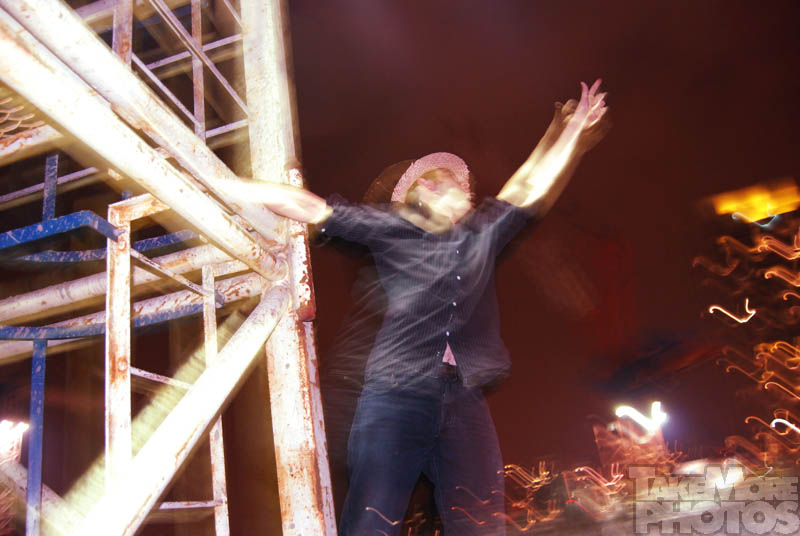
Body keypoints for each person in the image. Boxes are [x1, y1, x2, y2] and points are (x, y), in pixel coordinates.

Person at [227, 80, 608, 535]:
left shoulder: (482, 234)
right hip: (396, 394)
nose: (464, 187)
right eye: (449, 181)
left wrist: (572, 132)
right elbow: (309, 207)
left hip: (464, 399)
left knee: (482, 524)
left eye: (465, 184)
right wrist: (223, 184)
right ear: (421, 192)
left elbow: (527, 188)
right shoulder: (392, 227)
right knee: (372, 520)